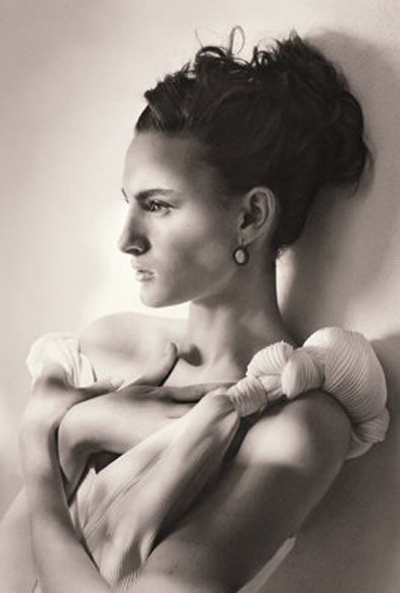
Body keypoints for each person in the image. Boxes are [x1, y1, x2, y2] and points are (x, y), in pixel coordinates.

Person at [0, 28, 389, 593]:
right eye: (129, 204)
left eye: (157, 205)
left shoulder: (297, 423)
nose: (127, 240)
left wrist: (51, 443)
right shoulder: (102, 350)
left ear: (251, 217)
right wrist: (72, 435)